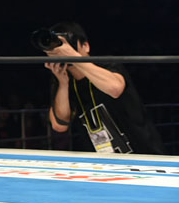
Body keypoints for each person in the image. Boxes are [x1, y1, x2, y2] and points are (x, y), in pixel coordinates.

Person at [42, 21, 164, 154]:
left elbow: (115, 88)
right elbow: (59, 126)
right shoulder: (62, 79)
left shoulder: (107, 64)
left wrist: (74, 57)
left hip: (143, 153)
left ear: (86, 46)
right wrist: (63, 84)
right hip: (102, 163)